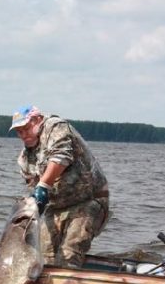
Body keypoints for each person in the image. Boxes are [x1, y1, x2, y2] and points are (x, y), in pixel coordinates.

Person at [10, 105, 109, 268]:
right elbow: (33, 188)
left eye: (26, 128)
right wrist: (33, 206)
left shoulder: (55, 126)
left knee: (69, 254)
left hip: (88, 201)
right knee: (42, 257)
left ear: (37, 120)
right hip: (56, 207)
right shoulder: (24, 159)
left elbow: (61, 156)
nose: (23, 135)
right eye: (19, 132)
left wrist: (43, 185)